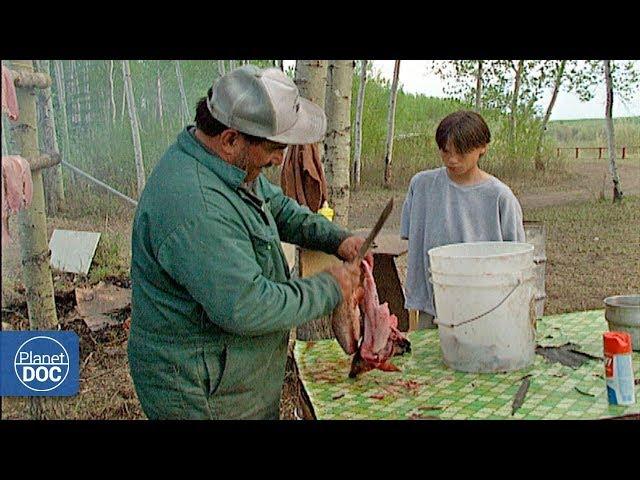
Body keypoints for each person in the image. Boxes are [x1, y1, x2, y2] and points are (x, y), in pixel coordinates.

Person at [127, 65, 371, 420]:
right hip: (202, 392)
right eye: (274, 149)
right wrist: (329, 288)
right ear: (230, 140)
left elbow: (277, 206)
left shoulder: (226, 167)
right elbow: (248, 305)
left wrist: (337, 239)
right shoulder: (195, 206)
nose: (278, 160)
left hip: (233, 378)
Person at [400, 110, 525, 329]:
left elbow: (517, 260)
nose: (452, 160)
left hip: (485, 309)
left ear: (482, 147)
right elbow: (411, 236)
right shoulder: (421, 186)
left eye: (461, 152)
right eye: (446, 151)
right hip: (433, 305)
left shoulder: (499, 197)